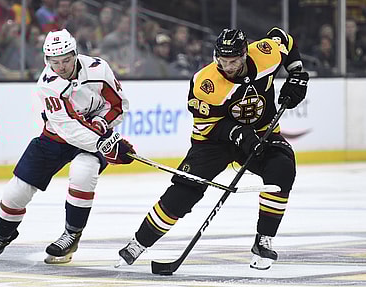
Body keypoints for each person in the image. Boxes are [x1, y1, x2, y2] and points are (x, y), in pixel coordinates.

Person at [116, 27, 309, 270]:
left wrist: (296, 74)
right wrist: (237, 133)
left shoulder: (265, 52)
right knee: (184, 192)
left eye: (234, 61)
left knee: (282, 170)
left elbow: (285, 39)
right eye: (223, 60)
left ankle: (263, 240)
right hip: (214, 142)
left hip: (260, 134)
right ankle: (139, 243)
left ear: (245, 55)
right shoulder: (205, 83)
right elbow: (208, 127)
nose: (228, 66)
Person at [0, 28, 135, 264]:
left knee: (82, 172)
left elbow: (119, 105)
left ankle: (71, 234)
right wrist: (103, 144)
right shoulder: (48, 84)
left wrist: (102, 123)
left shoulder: (98, 68)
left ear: (75, 54)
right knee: (17, 190)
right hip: (56, 138)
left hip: (94, 135)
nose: (62, 67)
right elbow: (69, 129)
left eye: (66, 60)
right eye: (55, 62)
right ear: (47, 61)